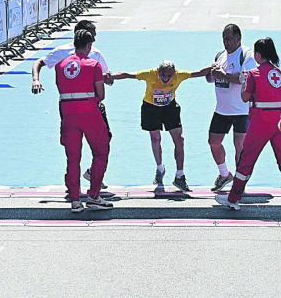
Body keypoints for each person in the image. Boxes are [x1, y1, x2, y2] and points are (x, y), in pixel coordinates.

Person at [32, 20, 113, 189]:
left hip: (92, 105)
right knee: (73, 147)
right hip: (71, 105)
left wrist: (108, 78)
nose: (95, 38)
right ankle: (73, 185)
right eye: (92, 34)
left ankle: (93, 173)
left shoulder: (96, 53)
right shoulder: (62, 51)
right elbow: (39, 62)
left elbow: (106, 76)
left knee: (105, 139)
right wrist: (36, 80)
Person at [111, 60, 213, 192]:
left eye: (168, 76)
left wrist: (216, 65)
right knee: (156, 139)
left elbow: (199, 73)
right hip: (151, 108)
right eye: (163, 76)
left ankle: (180, 176)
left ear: (173, 74)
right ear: (157, 72)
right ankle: (160, 169)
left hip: (170, 108)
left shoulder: (179, 75)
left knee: (180, 140)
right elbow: (126, 74)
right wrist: (110, 76)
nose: (165, 79)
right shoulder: (149, 74)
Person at [216, 37, 281, 210]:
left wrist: (243, 82)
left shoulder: (253, 74)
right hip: (280, 122)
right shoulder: (278, 73)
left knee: (246, 161)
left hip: (261, 123)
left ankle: (234, 199)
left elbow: (244, 97)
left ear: (257, 55)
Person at [51, 30, 112, 212]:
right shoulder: (93, 65)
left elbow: (60, 88)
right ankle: (93, 196)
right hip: (89, 112)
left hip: (68, 114)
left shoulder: (60, 65)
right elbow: (100, 94)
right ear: (89, 45)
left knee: (72, 158)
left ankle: (75, 201)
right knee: (101, 151)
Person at [206, 24, 257, 192]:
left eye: (228, 39)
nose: (225, 43)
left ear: (238, 38)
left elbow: (247, 79)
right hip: (222, 109)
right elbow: (211, 79)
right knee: (213, 142)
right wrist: (211, 74)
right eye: (223, 39)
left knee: (239, 146)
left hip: (241, 110)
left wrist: (224, 76)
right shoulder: (220, 55)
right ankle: (224, 174)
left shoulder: (247, 55)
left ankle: (239, 183)